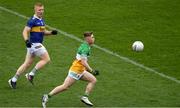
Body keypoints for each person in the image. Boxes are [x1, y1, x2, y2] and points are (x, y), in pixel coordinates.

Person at [42, 32, 99, 108]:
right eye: (92, 37)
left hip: (81, 70)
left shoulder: (86, 45)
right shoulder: (85, 48)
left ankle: (85, 97)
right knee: (65, 86)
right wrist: (91, 71)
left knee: (93, 80)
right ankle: (47, 96)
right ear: (87, 39)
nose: (93, 38)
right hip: (76, 71)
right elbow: (83, 62)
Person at [8, 2, 58, 89]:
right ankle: (31, 74)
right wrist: (26, 40)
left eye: (42, 10)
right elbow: (25, 31)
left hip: (33, 46)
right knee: (46, 59)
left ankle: (13, 80)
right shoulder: (32, 20)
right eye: (39, 10)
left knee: (27, 64)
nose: (41, 11)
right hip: (35, 44)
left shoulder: (41, 20)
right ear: (35, 10)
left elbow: (43, 32)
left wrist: (51, 32)